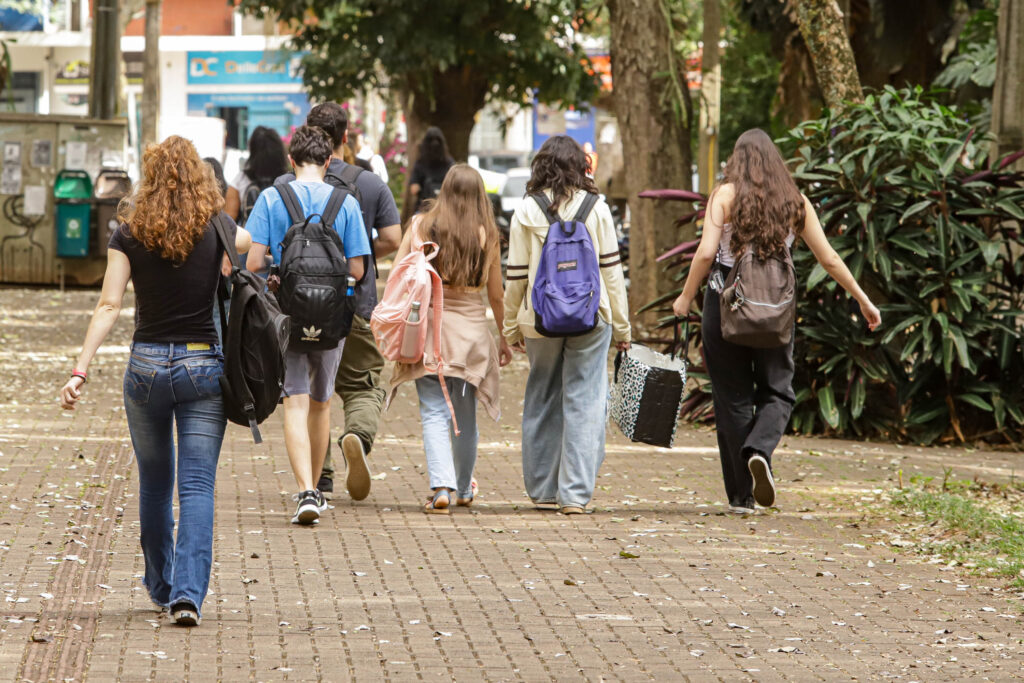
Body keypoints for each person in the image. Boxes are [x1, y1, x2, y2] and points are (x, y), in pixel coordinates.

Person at [58, 136, 252, 627]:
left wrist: (80, 368)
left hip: (145, 367)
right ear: (199, 179)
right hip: (202, 366)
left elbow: (108, 306)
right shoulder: (220, 228)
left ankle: (160, 585)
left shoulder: (128, 232)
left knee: (155, 482)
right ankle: (187, 597)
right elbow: (249, 248)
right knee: (197, 485)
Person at [672, 128, 882, 514]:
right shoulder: (795, 202)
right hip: (776, 311)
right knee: (779, 392)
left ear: (736, 160)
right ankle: (760, 450)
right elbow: (829, 259)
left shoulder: (725, 195)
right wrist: (863, 300)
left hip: (726, 307)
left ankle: (741, 498)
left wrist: (685, 297)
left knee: (732, 398)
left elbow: (704, 255)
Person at [274, 102, 402, 502]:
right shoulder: (368, 184)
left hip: (295, 307)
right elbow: (394, 239)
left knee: (308, 393)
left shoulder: (283, 186)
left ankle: (318, 477)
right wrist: (350, 261)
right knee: (360, 386)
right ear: (345, 138)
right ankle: (357, 437)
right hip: (353, 305)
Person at [245, 126, 370, 525]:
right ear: (330, 160)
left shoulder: (271, 198)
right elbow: (358, 268)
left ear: (291, 161)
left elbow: (252, 263)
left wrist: (282, 270)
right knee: (322, 402)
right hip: (333, 317)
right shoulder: (345, 202)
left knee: (294, 401)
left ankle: (305, 491)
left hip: (287, 315)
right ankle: (318, 489)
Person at [503, 135, 631, 515]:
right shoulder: (597, 209)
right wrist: (622, 328)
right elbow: (611, 274)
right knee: (585, 399)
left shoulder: (526, 209)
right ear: (580, 166)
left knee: (542, 393)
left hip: (539, 318)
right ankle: (574, 495)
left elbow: (516, 277)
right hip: (592, 317)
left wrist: (511, 326)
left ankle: (543, 489)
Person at [389, 164, 513, 513]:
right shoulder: (487, 234)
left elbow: (399, 275)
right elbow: (496, 296)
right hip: (471, 337)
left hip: (428, 332)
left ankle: (441, 487)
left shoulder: (421, 226)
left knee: (432, 410)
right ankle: (464, 488)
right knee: (465, 414)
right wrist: (505, 337)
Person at [225, 126, 290, 225]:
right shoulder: (288, 180)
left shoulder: (241, 180)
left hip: (250, 238)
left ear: (252, 152)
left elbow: (228, 221)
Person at [408, 126, 454, 213]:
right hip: (446, 209)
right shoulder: (450, 163)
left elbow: (413, 189)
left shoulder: (420, 163)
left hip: (424, 209)